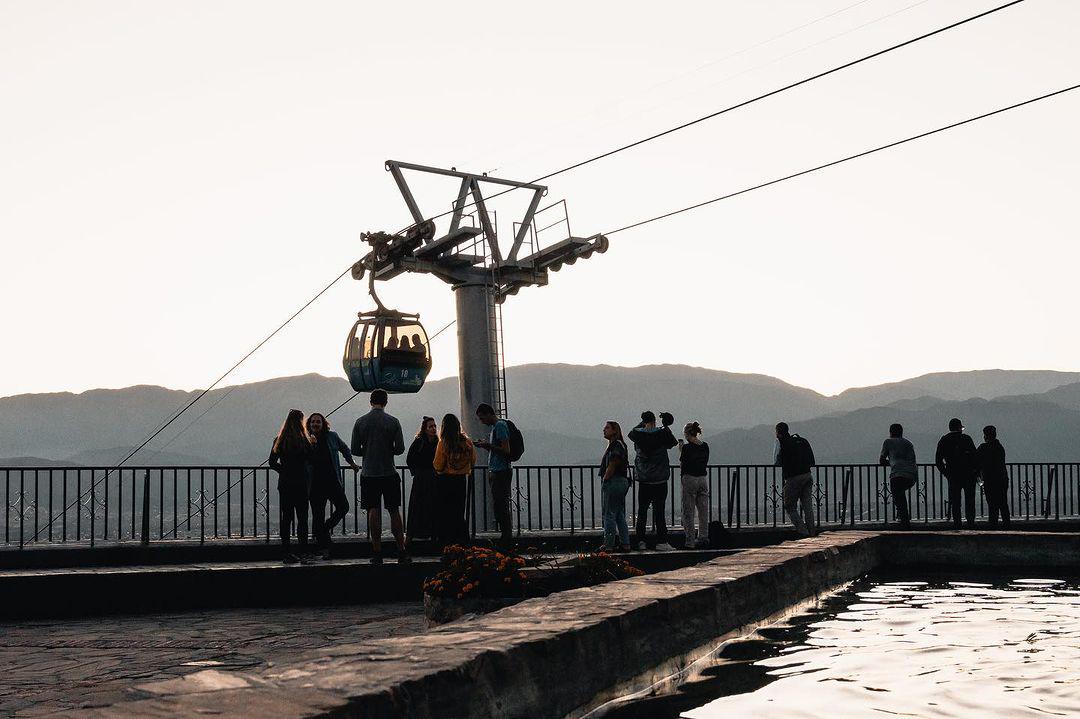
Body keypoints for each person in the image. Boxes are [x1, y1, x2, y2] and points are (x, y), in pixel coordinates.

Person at [351, 389, 409, 563]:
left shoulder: (360, 422)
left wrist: (369, 450)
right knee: (394, 511)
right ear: (386, 402)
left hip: (369, 473)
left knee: (373, 511)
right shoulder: (393, 422)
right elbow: (399, 448)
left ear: (370, 401)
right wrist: (387, 449)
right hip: (389, 472)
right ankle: (401, 551)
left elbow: (354, 449)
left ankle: (377, 552)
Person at [306, 412, 358, 558]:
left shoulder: (332, 436)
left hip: (332, 480)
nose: (315, 424)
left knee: (343, 506)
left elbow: (344, 448)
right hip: (315, 484)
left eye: (318, 422)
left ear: (323, 424)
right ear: (309, 424)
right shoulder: (306, 439)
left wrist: (352, 463)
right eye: (313, 422)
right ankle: (324, 547)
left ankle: (324, 529)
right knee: (318, 514)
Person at [628, 411, 678, 551]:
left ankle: (641, 541)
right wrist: (665, 425)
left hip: (644, 480)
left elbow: (631, 433)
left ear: (643, 421)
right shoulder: (662, 434)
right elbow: (673, 442)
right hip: (660, 480)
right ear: (655, 421)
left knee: (642, 511)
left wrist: (644, 423)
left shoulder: (637, 435)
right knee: (659, 512)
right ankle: (661, 541)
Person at [268, 409, 313, 564]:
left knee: (286, 518)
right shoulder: (305, 441)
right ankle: (303, 552)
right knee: (302, 519)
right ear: (301, 422)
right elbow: (311, 459)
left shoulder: (279, 440)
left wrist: (284, 471)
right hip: (301, 483)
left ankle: (286, 552)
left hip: (286, 483)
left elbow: (272, 462)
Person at [433, 413, 476, 549]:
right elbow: (473, 460)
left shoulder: (443, 443)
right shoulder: (467, 442)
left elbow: (438, 464)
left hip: (445, 481)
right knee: (458, 512)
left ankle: (447, 544)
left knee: (445, 513)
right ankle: (463, 542)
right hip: (461, 481)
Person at [475, 403, 514, 546]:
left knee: (501, 505)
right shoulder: (495, 428)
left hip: (501, 472)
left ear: (488, 414)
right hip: (498, 471)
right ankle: (505, 536)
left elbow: (506, 449)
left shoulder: (500, 426)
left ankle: (506, 538)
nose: (481, 421)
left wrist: (488, 446)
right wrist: (488, 446)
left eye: (481, 417)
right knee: (499, 505)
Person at [935, 417, 979, 529]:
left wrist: (946, 473)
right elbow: (975, 457)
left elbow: (938, 460)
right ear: (960, 428)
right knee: (970, 500)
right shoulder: (967, 438)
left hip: (953, 475)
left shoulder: (944, 440)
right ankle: (970, 523)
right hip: (969, 475)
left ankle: (957, 524)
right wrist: (976, 472)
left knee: (955, 501)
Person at [774, 422, 816, 537]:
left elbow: (777, 462)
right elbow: (812, 461)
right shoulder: (801, 441)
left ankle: (804, 532)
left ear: (779, 433)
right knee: (807, 506)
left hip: (793, 478)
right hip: (807, 475)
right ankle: (812, 533)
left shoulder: (783, 444)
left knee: (790, 506)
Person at [405, 416, 439, 544]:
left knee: (430, 507)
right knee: (418, 507)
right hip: (423, 479)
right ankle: (413, 537)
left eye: (434, 426)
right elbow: (410, 459)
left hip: (430, 479)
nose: (434, 429)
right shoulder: (420, 442)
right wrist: (417, 472)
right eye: (431, 426)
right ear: (425, 429)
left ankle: (430, 536)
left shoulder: (435, 442)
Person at [599, 420, 631, 552]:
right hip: (622, 482)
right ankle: (625, 543)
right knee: (619, 514)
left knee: (609, 514)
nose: (604, 430)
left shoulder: (615, 446)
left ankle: (609, 545)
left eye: (607, 428)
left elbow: (613, 463)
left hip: (614, 481)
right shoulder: (620, 444)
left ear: (614, 430)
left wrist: (606, 478)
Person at [879, 423, 917, 530]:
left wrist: (891, 462)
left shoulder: (888, 442)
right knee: (900, 495)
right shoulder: (909, 443)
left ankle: (904, 521)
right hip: (911, 475)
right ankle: (903, 517)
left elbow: (881, 460)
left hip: (897, 474)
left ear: (891, 432)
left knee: (897, 495)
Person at [679, 421, 710, 549]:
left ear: (686, 434)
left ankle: (690, 541)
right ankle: (703, 537)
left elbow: (683, 465)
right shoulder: (705, 446)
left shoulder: (686, 448)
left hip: (689, 479)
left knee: (688, 511)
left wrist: (681, 450)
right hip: (702, 479)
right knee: (703, 511)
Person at [977, 425, 1011, 529]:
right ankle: (1007, 526)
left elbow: (976, 460)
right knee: (1003, 504)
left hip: (990, 480)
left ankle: (993, 527)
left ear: (985, 436)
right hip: (1002, 479)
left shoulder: (983, 448)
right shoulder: (999, 447)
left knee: (992, 505)